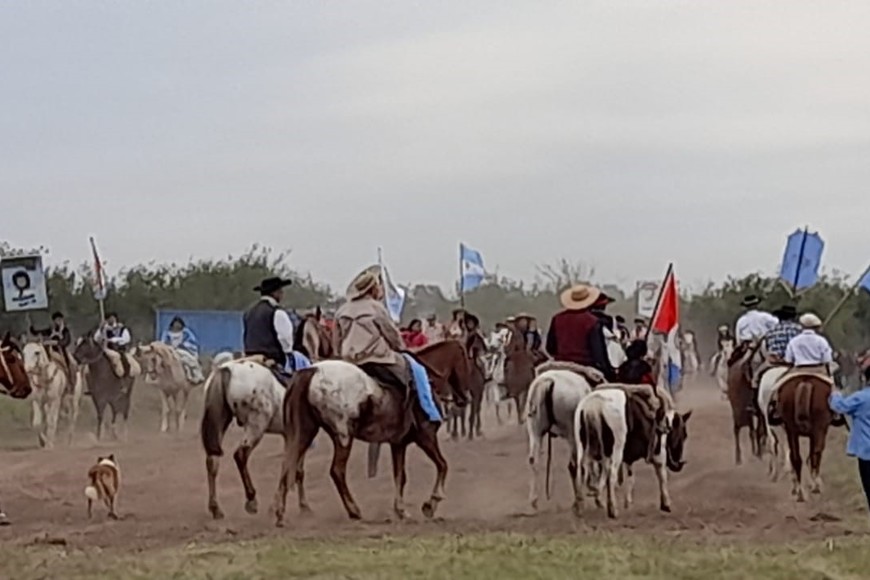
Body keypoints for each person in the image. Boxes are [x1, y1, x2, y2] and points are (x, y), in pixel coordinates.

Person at [335, 268, 441, 424]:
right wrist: (401, 348)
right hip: (376, 359)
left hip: (348, 361)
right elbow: (392, 334)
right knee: (412, 375)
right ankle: (419, 417)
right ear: (372, 289)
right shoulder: (376, 308)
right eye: (378, 286)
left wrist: (340, 356)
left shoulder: (341, 310)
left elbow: (336, 340)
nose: (381, 289)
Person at [546, 284, 614, 380]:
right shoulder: (593, 321)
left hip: (560, 365)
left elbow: (550, 348)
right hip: (585, 365)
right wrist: (608, 372)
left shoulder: (557, 318)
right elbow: (598, 353)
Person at [829, 365, 870, 512]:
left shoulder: (860, 397)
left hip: (866, 452)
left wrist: (835, 393)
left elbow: (840, 406)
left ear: (865, 378)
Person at [243, 277, 295, 375]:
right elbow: (285, 339)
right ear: (275, 293)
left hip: (249, 358)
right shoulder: (277, 312)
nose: (282, 294)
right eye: (280, 291)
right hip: (270, 359)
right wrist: (288, 354)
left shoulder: (249, 312)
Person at [30, 311, 74, 382]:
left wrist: (54, 342)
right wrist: (33, 328)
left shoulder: (65, 331)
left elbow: (66, 341)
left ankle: (70, 381)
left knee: (70, 365)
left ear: (62, 320)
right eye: (56, 320)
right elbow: (40, 332)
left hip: (61, 351)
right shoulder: (51, 330)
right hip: (50, 351)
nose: (58, 322)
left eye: (59, 320)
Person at [161, 316, 205, 384]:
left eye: (179, 323)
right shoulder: (167, 333)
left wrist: (183, 345)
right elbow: (163, 342)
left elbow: (192, 342)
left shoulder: (186, 332)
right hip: (170, 351)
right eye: (176, 323)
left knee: (188, 361)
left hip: (185, 351)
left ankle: (196, 375)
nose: (177, 325)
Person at [94, 312, 134, 378]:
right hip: (104, 349)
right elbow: (96, 338)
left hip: (117, 349)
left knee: (119, 358)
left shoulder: (121, 328)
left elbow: (127, 339)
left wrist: (114, 340)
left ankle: (122, 374)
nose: (110, 319)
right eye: (108, 318)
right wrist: (101, 330)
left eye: (112, 318)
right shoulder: (104, 328)